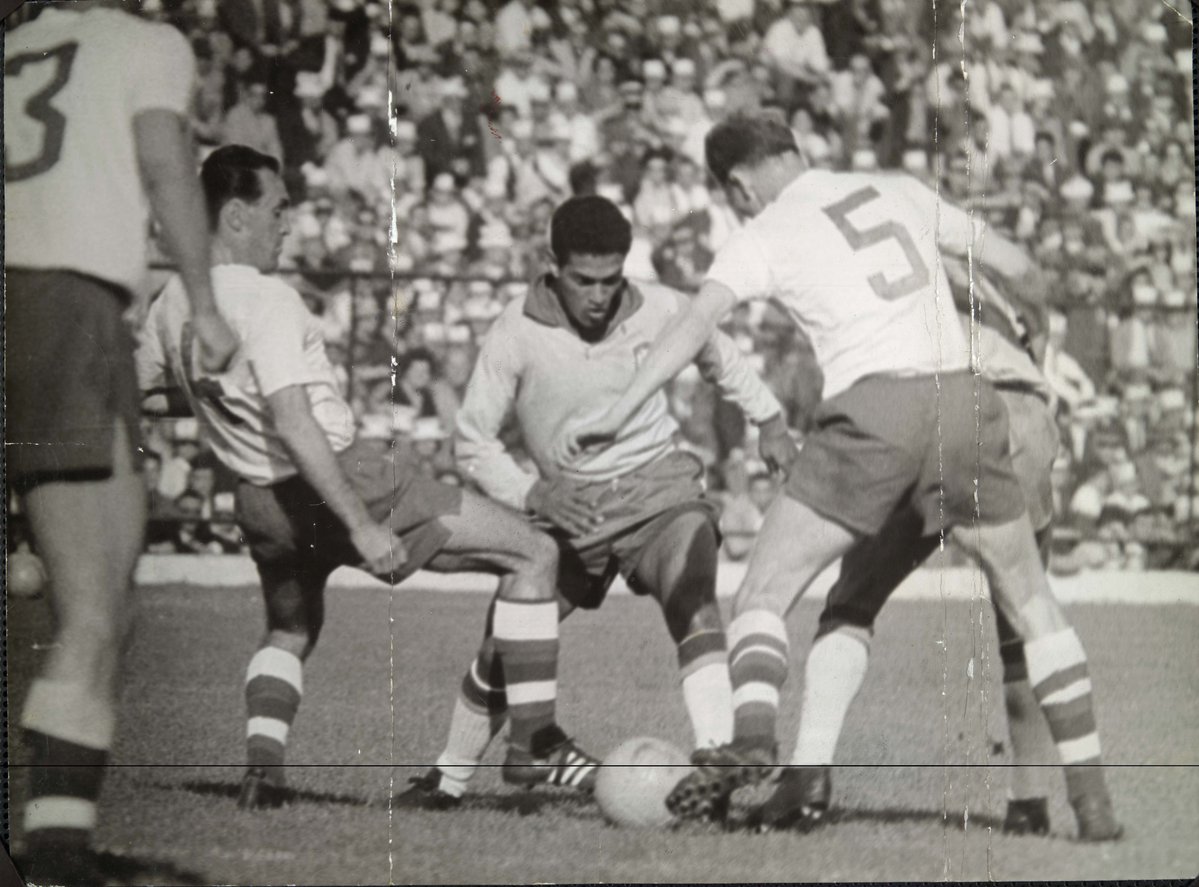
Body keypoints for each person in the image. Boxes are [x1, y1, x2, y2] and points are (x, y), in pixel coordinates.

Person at [559, 114, 1122, 842]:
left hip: (877, 411)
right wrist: (1037, 346)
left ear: (737, 185)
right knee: (1032, 604)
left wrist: (616, 409)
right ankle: (1095, 804)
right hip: (968, 402)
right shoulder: (897, 188)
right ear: (796, 151)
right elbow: (1023, 269)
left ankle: (756, 737)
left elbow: (694, 323)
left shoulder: (763, 230)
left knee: (765, 588)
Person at [136, 145, 591, 812]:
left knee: (288, 630)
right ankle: (530, 744)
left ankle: (262, 768)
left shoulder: (174, 299)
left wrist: (219, 403)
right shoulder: (265, 297)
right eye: (277, 209)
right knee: (534, 552)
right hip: (341, 480)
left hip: (257, 499)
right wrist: (361, 522)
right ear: (235, 217)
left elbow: (141, 390)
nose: (287, 224)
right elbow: (294, 418)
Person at [394, 196, 797, 808]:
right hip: (566, 507)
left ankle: (716, 766)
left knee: (693, 593)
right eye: (584, 280)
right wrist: (532, 493)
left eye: (612, 280)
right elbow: (470, 440)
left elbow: (720, 356)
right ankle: (447, 780)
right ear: (551, 264)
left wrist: (769, 419)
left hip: (656, 490)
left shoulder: (661, 305)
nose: (600, 295)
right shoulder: (515, 330)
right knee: (506, 645)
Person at [4, 4, 237, 883]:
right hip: (66, 304)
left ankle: (62, 843)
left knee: (98, 607)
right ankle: (57, 857)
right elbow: (163, 160)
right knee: (98, 608)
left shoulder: (16, 44)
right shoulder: (147, 45)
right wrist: (205, 305)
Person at [754, 255, 1068, 834]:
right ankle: (1032, 799)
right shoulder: (985, 269)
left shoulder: (879, 279)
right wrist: (1039, 340)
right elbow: (1029, 278)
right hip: (1019, 417)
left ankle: (808, 774)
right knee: (1026, 623)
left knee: (852, 602)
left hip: (921, 411)